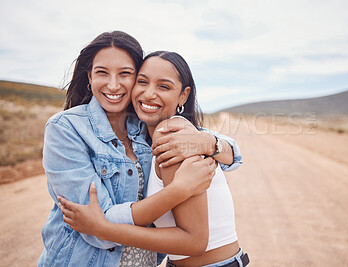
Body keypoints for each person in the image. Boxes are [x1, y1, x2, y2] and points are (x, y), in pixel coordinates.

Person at [38, 31, 243, 267]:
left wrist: (208, 142)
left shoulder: (148, 126)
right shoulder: (66, 128)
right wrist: (178, 190)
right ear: (90, 77)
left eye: (125, 74)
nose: (113, 85)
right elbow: (95, 225)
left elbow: (233, 154)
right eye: (102, 72)